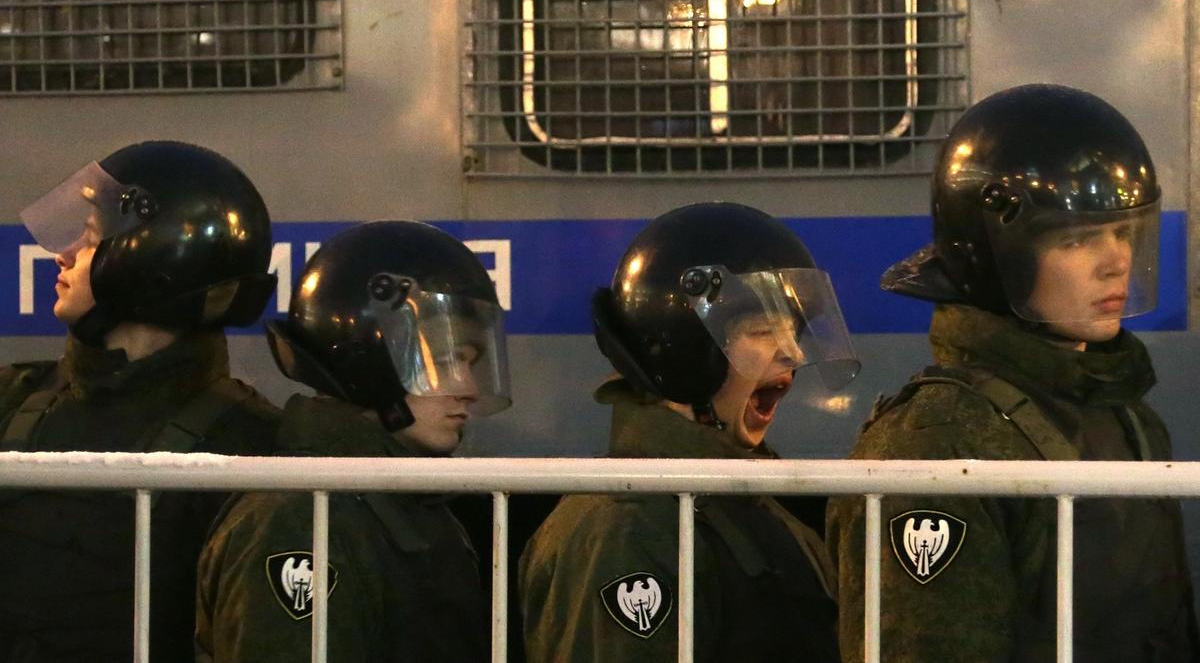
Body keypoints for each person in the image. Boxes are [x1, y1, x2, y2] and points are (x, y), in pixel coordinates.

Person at [827, 84, 1200, 662]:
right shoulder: (935, 444)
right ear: (996, 253)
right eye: (1078, 239)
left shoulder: (1126, 413)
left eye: (1123, 232)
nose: (1116, 262)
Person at [520, 202, 859, 662]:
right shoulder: (623, 533)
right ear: (686, 354)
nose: (794, 354)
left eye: (795, 332)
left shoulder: (756, 508)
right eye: (762, 331)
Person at [0, 140, 281, 663]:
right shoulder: (13, 399)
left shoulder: (250, 445)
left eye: (87, 241)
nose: (61, 256)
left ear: (152, 258)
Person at [196, 220, 512, 662]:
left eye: (469, 362)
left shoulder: (400, 499)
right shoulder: (298, 521)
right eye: (443, 360)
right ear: (371, 354)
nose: (468, 388)